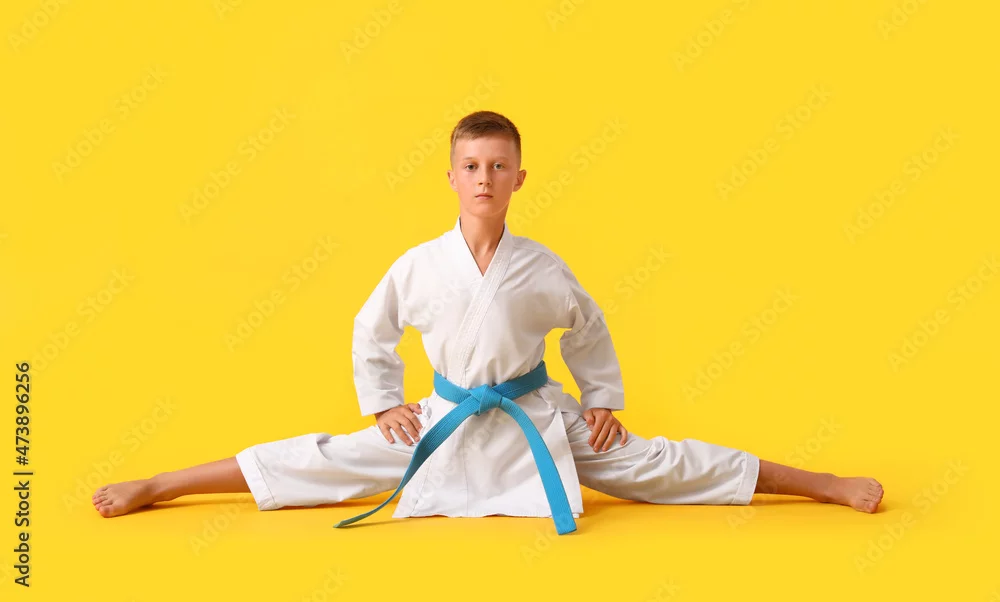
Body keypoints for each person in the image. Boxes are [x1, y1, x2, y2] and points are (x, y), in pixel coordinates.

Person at [92, 110, 883, 528]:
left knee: (661, 466)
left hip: (538, 419)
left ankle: (819, 485)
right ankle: (163, 484)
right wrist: (384, 403)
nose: (485, 178)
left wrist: (602, 399)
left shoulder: (542, 267)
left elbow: (589, 327)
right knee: (321, 461)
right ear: (450, 176)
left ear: (519, 178)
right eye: (471, 166)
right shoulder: (418, 264)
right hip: (443, 418)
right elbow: (372, 328)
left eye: (499, 166)